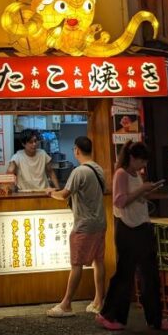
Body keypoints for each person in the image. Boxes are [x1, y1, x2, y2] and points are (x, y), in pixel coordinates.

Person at [97, 141, 168, 332]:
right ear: (132, 158)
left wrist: (146, 191)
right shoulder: (121, 174)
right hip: (128, 229)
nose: (143, 166)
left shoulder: (136, 174)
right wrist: (142, 189)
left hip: (142, 225)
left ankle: (155, 319)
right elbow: (120, 201)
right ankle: (110, 315)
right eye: (141, 161)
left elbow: (133, 199)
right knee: (125, 275)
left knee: (150, 274)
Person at [47, 136, 106, 317]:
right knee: (98, 261)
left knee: (76, 264)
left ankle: (66, 304)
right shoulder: (98, 169)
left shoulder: (79, 171)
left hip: (84, 224)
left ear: (76, 150)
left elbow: (64, 194)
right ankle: (98, 301)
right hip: (100, 222)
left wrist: (51, 193)